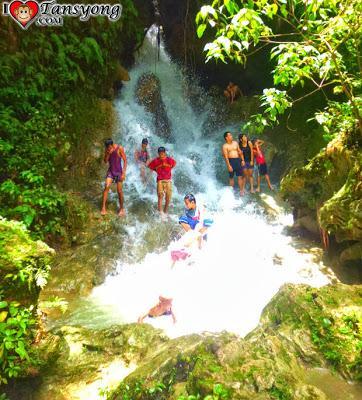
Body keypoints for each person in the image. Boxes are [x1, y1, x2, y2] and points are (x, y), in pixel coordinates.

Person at [101, 138, 127, 216]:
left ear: (112, 145)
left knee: (119, 191)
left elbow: (125, 160)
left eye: (109, 147)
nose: (108, 149)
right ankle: (103, 208)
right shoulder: (107, 150)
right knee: (107, 186)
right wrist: (108, 153)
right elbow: (105, 161)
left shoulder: (119, 148)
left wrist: (123, 173)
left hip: (119, 172)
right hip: (111, 171)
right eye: (107, 148)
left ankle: (121, 208)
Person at [148, 147, 176, 214]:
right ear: (158, 153)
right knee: (160, 196)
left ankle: (165, 211)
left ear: (164, 153)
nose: (161, 155)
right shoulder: (156, 161)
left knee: (168, 197)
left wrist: (169, 170)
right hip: (160, 180)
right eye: (160, 153)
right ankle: (161, 213)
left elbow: (174, 164)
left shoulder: (169, 160)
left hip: (168, 180)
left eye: (162, 153)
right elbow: (150, 166)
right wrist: (156, 170)